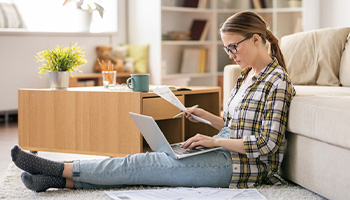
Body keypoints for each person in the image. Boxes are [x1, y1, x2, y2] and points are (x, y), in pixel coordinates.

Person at [11, 10, 295, 192]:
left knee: (143, 166)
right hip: (223, 154)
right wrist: (207, 118)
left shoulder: (277, 82)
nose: (230, 54)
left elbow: (266, 144)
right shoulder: (244, 76)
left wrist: (214, 141)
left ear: (257, 39)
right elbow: (234, 125)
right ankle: (62, 181)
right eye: (226, 48)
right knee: (146, 162)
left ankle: (59, 169)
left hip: (241, 167)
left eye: (234, 46)